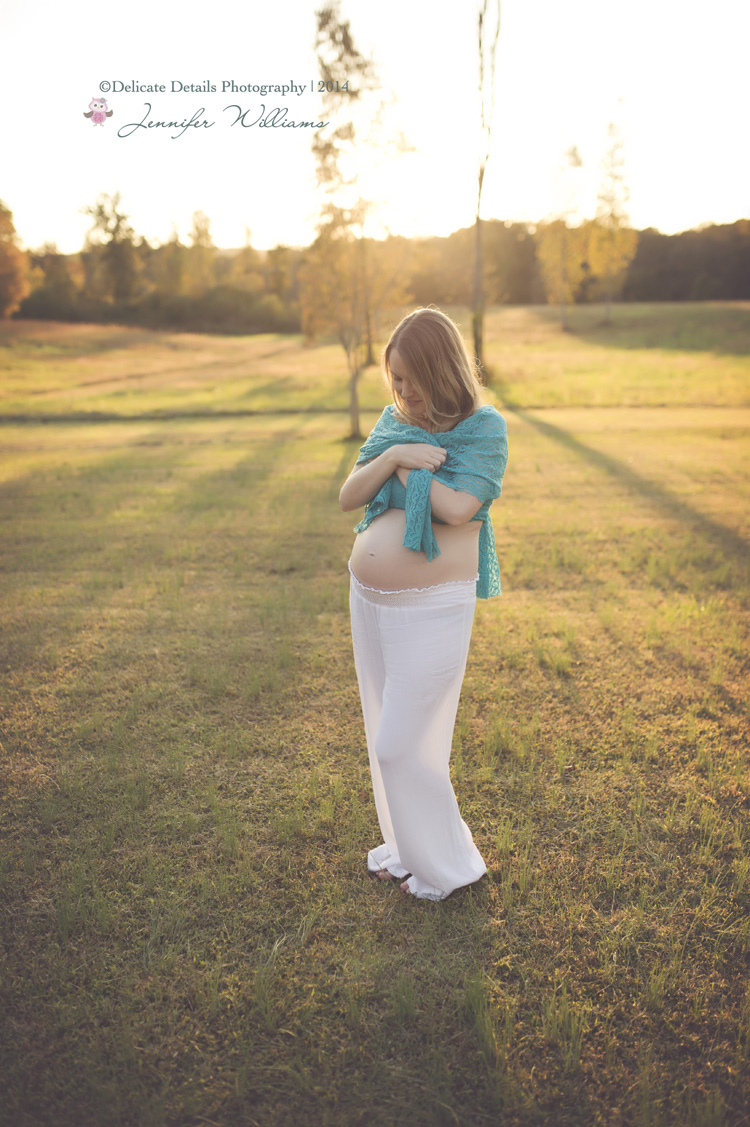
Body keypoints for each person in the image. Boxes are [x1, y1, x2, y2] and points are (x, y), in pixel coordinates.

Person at [339, 307, 509, 900]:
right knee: (383, 734)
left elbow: (459, 509)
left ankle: (451, 867)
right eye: (395, 379)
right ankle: (409, 850)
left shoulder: (484, 430)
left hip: (434, 605)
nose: (403, 392)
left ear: (442, 371)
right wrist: (394, 456)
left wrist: (408, 470)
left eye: (413, 379)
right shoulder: (395, 425)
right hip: (369, 599)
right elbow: (350, 494)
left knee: (402, 745)